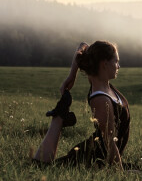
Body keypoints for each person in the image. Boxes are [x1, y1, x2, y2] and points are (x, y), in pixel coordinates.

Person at [33, 41, 130, 169]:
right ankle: (58, 118)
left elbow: (82, 46)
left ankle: (61, 114)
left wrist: (72, 76)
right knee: (43, 167)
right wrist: (121, 174)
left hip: (100, 154)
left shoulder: (102, 83)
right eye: (116, 61)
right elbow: (110, 142)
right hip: (92, 159)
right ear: (104, 64)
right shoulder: (100, 98)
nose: (118, 66)